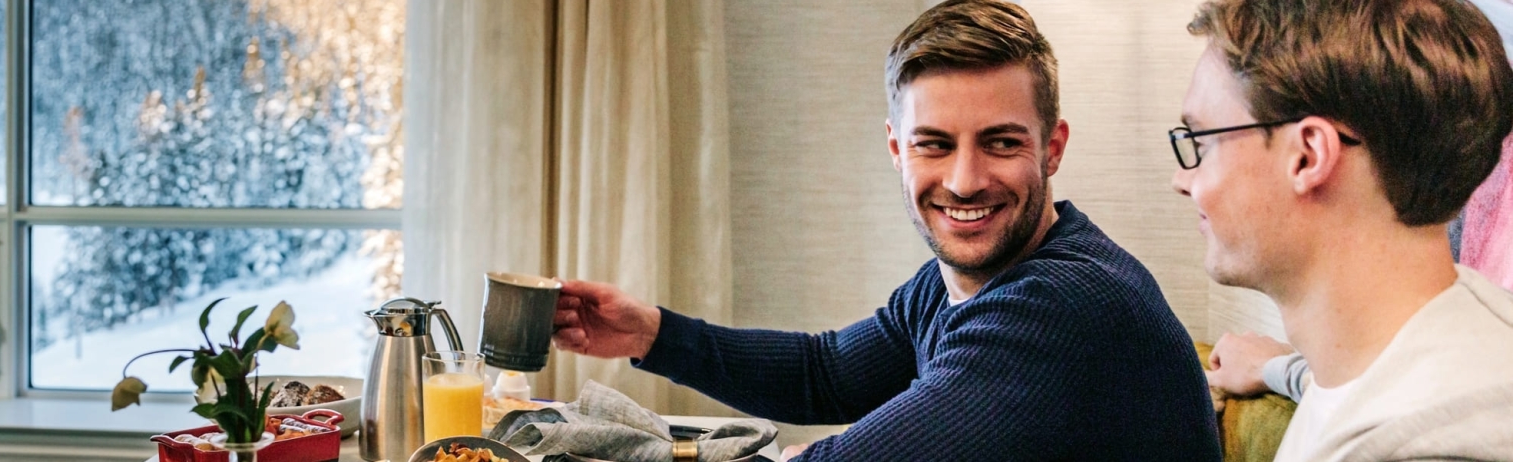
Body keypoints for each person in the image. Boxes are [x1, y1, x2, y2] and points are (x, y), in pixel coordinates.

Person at [550, 1, 1221, 459]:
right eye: (934, 144)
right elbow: (828, 371)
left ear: (1052, 149)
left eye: (1000, 142)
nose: (964, 180)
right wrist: (651, 333)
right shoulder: (960, 281)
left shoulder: (1063, 303)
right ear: (897, 150)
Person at [1172, 0, 1513, 459]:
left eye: (1203, 142)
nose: (1183, 180)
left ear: (1308, 156)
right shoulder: (1451, 322)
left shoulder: (1423, 447)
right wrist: (1274, 367)